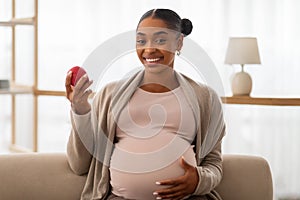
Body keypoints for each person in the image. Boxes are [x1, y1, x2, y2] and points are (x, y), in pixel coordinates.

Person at [65, 8, 226, 200]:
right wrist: (81, 110)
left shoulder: (205, 98)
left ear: (179, 42)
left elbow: (214, 163)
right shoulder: (109, 95)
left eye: (160, 40)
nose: (149, 49)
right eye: (141, 41)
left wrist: (199, 181)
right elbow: (79, 164)